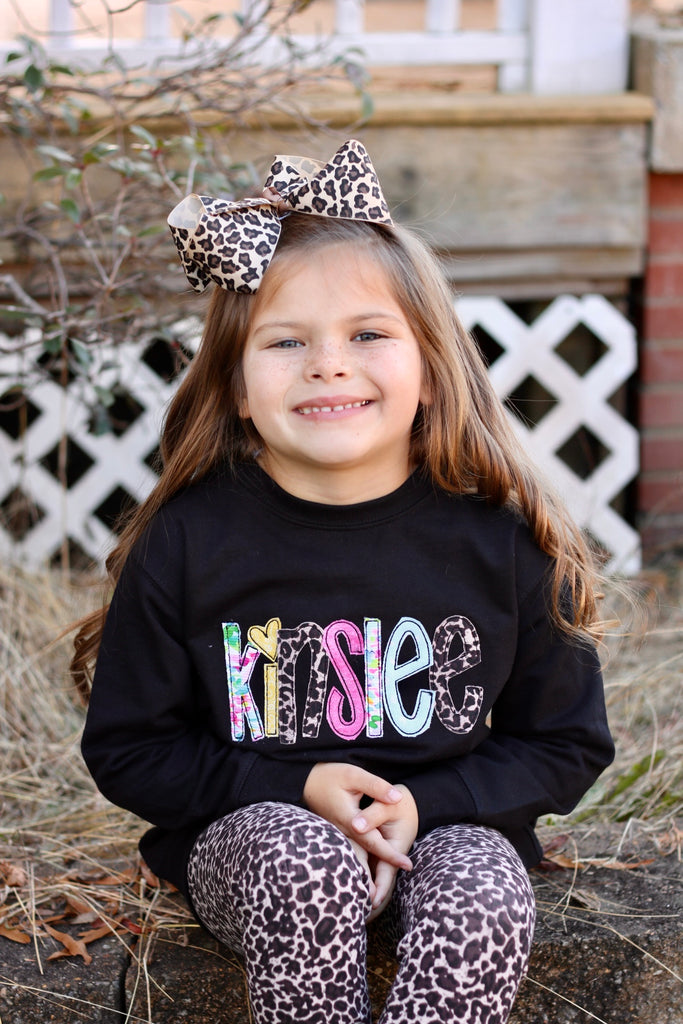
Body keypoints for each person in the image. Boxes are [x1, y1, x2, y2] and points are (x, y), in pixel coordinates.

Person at [73, 139, 614, 1024]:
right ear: (236, 387)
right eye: (286, 341)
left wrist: (422, 805)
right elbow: (132, 749)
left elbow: (564, 743)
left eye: (367, 334)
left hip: (444, 835)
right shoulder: (189, 541)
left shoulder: (501, 540)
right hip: (257, 845)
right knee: (303, 861)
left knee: (483, 893)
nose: (327, 363)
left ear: (431, 367)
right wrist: (296, 792)